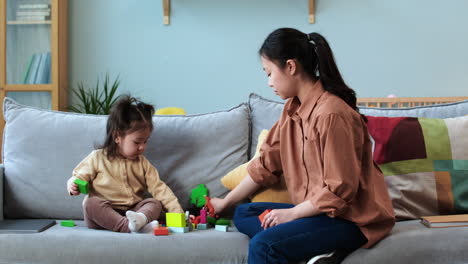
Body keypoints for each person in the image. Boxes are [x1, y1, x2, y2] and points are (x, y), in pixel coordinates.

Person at [210, 28, 395, 264]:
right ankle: (314, 250)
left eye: (269, 73)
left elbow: (340, 191)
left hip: (351, 219)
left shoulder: (331, 114)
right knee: (244, 212)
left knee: (263, 245)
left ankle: (308, 246)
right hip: (319, 214)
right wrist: (224, 203)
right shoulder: (291, 110)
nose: (268, 83)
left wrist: (292, 214)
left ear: (290, 66)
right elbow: (266, 165)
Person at [66, 95, 183, 233]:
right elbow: (78, 176)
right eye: (137, 142)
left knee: (154, 203)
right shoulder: (97, 158)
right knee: (90, 204)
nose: (142, 147)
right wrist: (73, 184)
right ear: (117, 137)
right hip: (104, 215)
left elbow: (159, 189)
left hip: (133, 211)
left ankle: (138, 221)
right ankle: (129, 227)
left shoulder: (142, 163)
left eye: (145, 141)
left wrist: (178, 213)